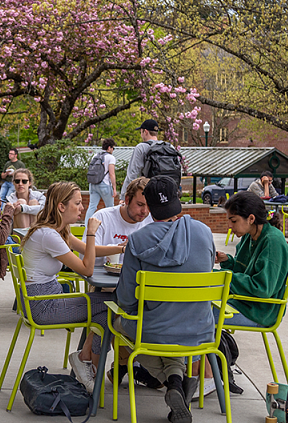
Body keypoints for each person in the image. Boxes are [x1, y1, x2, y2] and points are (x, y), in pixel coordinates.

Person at [115, 175, 216, 423]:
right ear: (177, 199)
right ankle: (176, 383)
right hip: (199, 331)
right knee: (171, 330)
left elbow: (126, 301)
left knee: (118, 325)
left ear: (149, 205)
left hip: (153, 332)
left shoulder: (138, 240)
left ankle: (174, 384)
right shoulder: (204, 232)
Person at [20, 181, 119, 392]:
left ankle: (85, 360)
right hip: (44, 306)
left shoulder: (57, 230)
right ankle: (87, 362)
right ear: (61, 206)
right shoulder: (49, 235)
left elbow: (85, 249)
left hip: (46, 298)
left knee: (107, 315)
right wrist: (91, 232)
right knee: (114, 303)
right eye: (78, 203)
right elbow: (87, 269)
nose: (82, 208)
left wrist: (118, 248)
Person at [215, 191, 288, 328]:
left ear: (251, 219)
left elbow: (263, 288)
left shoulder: (272, 241)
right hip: (243, 302)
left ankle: (211, 349)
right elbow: (242, 272)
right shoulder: (249, 236)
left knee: (198, 314)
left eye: (233, 221)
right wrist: (227, 260)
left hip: (260, 312)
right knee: (195, 305)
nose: (230, 226)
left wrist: (223, 277)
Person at [84, 177, 153, 269]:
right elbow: (86, 253)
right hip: (103, 278)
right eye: (140, 205)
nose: (144, 211)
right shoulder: (102, 217)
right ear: (127, 200)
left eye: (149, 205)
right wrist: (120, 248)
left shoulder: (152, 220)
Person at [121, 119, 161, 195]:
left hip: (148, 192)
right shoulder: (169, 147)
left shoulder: (141, 147)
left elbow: (132, 175)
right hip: (166, 194)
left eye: (141, 132)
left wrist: (124, 196)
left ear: (145, 131)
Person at [84, 138, 117, 226]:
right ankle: (110, 226)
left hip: (93, 184)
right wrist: (114, 188)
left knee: (92, 206)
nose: (113, 150)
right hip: (105, 185)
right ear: (109, 148)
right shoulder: (110, 157)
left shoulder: (95, 155)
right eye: (113, 148)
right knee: (110, 207)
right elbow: (112, 174)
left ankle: (87, 226)